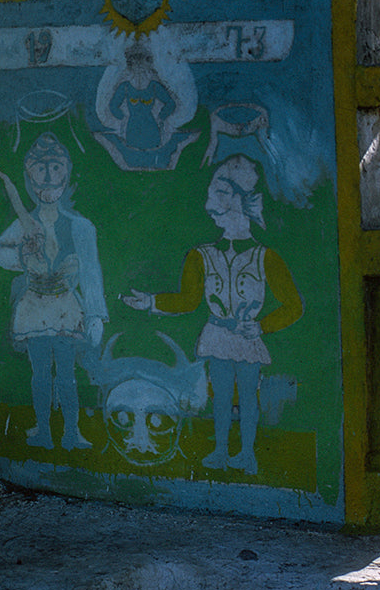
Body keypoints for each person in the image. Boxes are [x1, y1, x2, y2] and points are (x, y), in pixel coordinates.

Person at [123, 156, 303, 474]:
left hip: (247, 340)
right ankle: (221, 451)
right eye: (212, 191)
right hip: (217, 335)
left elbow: (294, 306)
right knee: (220, 398)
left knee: (248, 398)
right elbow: (189, 301)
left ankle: (246, 453)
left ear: (239, 199)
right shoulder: (201, 255)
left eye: (220, 191)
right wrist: (151, 303)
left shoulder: (266, 258)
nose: (211, 201)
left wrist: (261, 326)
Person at [0, 133, 107, 451]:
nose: (47, 176)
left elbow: (92, 272)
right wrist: (24, 257)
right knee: (40, 374)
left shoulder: (80, 226)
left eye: (54, 167)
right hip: (34, 307)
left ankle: (72, 432)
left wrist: (95, 314)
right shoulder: (25, 225)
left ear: (65, 174)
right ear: (29, 176)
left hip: (67, 308)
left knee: (67, 374)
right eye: (39, 169)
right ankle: (44, 430)